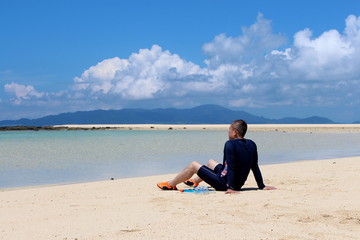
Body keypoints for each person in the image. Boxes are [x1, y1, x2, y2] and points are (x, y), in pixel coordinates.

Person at [157, 120, 276, 193]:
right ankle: (194, 181)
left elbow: (232, 166)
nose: (228, 132)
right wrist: (261, 186)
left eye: (229, 129)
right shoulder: (251, 144)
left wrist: (231, 188)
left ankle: (170, 184)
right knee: (211, 162)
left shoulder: (230, 144)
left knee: (193, 165)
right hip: (237, 181)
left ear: (234, 132)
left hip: (225, 183)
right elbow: (254, 166)